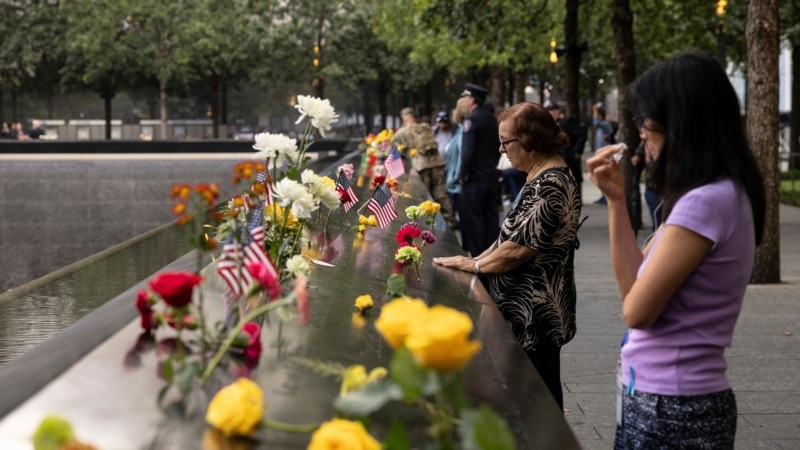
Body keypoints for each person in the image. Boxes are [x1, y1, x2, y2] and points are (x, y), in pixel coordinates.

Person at [587, 51, 766, 449]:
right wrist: (617, 203)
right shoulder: (718, 194)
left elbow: (637, 311)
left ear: (681, 122)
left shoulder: (704, 202)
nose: (641, 134)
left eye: (646, 123)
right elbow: (636, 287)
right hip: (666, 399)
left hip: (672, 406)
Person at [434, 102, 582, 409]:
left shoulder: (550, 182)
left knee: (538, 400)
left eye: (506, 141)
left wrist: (473, 265)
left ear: (531, 140)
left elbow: (518, 250)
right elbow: (507, 238)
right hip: (526, 309)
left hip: (534, 313)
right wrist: (473, 261)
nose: (502, 149)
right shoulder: (539, 175)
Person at [393, 107, 457, 230]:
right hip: (437, 164)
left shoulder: (403, 131)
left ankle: (422, 227)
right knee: (441, 195)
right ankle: (449, 223)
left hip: (421, 167)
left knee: (421, 197)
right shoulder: (426, 127)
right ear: (415, 117)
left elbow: (390, 148)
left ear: (404, 119)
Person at [457, 83, 501, 256]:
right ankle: (492, 256)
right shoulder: (491, 118)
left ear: (472, 99)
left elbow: (467, 153)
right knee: (491, 221)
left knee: (473, 222)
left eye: (466, 97)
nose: (464, 101)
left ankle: (477, 260)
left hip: (474, 180)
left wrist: (462, 176)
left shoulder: (471, 120)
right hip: (490, 177)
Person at [547, 103, 587, 203]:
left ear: (558, 111)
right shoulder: (548, 126)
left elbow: (582, 133)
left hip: (568, 159)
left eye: (552, 111)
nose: (550, 113)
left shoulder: (566, 122)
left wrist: (577, 150)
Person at [445, 101, 467, 226]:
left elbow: (462, 156)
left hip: (456, 182)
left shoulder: (463, 130)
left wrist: (458, 177)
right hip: (453, 181)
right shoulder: (459, 130)